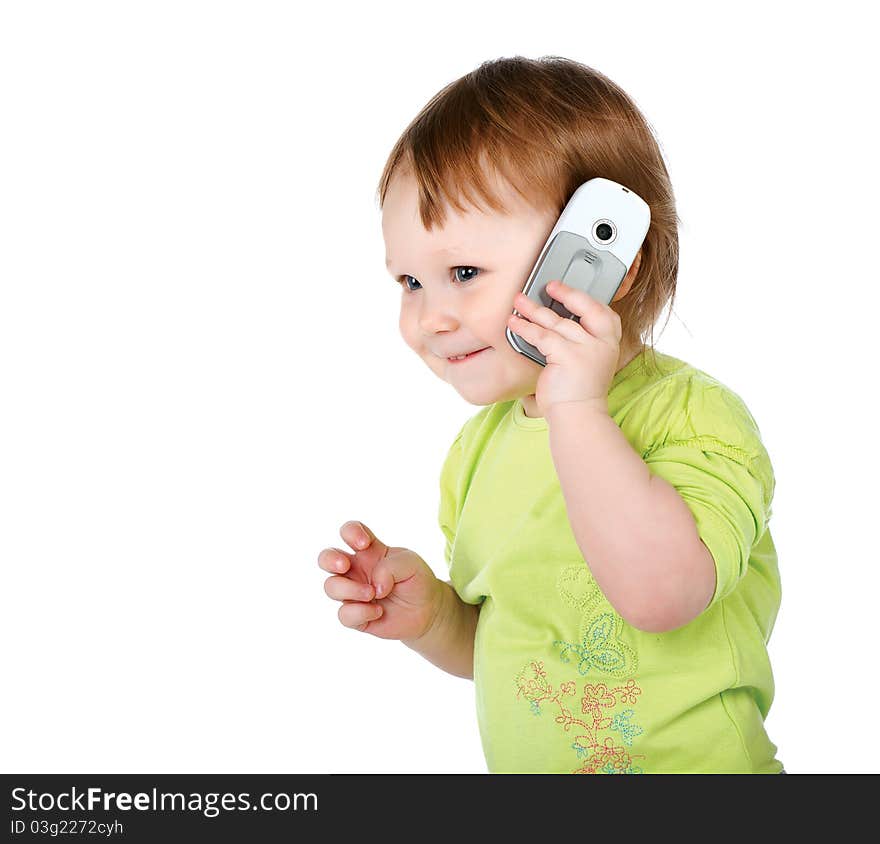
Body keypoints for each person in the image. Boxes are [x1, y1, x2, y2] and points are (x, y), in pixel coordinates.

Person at [317, 56, 785, 774]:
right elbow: (517, 642)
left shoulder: (693, 419)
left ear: (610, 264)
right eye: (409, 281)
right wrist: (437, 620)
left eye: (464, 273)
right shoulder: (476, 454)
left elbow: (661, 597)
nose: (430, 317)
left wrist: (576, 405)